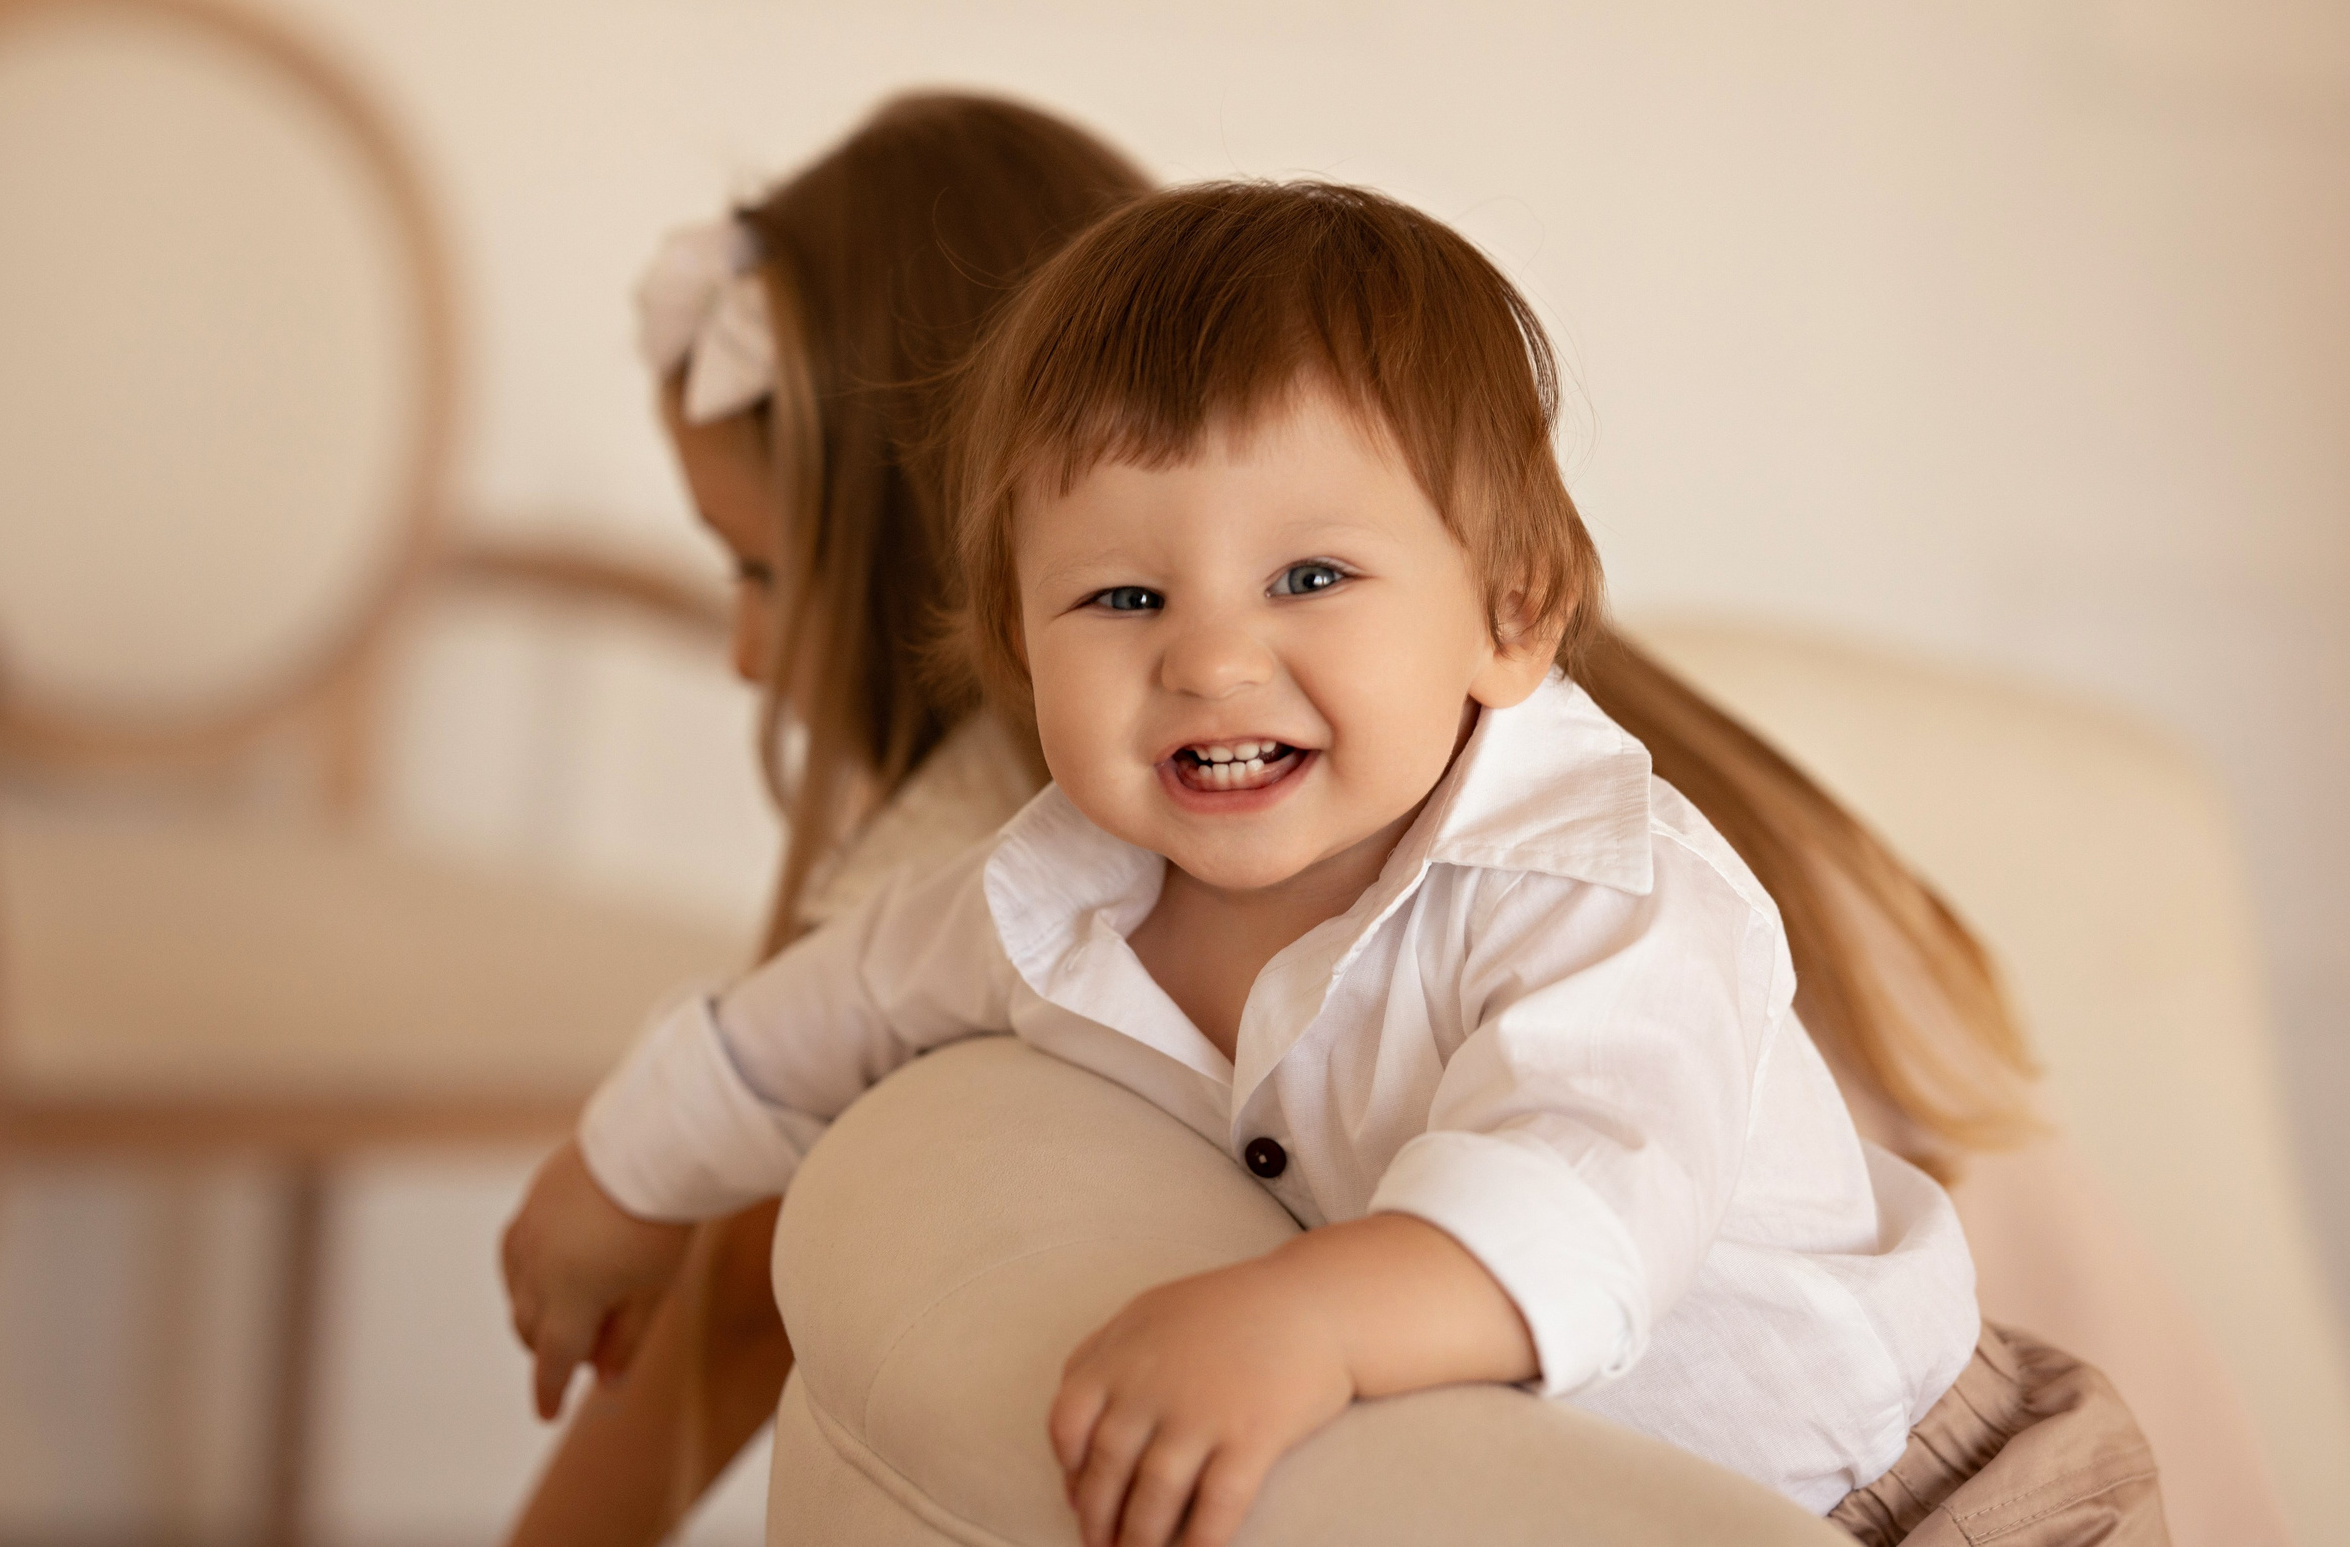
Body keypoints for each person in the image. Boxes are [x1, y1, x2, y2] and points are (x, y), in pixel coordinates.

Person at [504, 183, 2164, 1547]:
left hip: (1920, 1499)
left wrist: (1310, 1319)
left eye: (1308, 578)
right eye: (1123, 599)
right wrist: (616, 1176)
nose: (1212, 661)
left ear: (1513, 614)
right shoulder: (1053, 892)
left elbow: (1586, 1196)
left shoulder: (1597, 895)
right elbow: (828, 1014)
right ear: (1016, 647)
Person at [501, 91, 1153, 1546]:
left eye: (758, 573)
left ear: (920, 554)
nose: (746, 654)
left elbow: (740, 1309)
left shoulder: (969, 847)